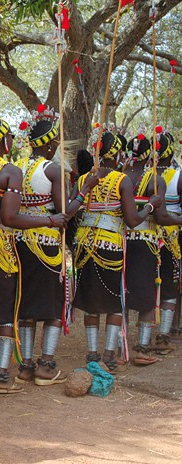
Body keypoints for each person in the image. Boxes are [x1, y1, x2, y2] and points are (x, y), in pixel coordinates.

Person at [0, 110, 66, 394]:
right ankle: (1, 376)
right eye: (9, 137)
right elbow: (10, 218)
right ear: (3, 140)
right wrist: (49, 220)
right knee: (8, 309)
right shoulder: (9, 171)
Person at [72, 131, 159, 370]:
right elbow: (132, 220)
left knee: (91, 302)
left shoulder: (83, 180)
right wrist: (151, 206)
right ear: (118, 153)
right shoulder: (122, 180)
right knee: (113, 301)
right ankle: (109, 356)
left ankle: (92, 354)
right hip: (109, 246)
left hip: (83, 246)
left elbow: (72, 210)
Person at [13, 107, 70, 386]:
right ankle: (46, 365)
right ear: (48, 143)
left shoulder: (18, 168)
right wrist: (84, 191)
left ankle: (25, 365)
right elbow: (64, 211)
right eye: (56, 140)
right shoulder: (53, 170)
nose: (58, 145)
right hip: (46, 245)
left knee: (26, 304)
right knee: (52, 303)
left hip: (21, 244)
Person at [121, 133, 176, 365]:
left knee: (122, 292)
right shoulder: (155, 180)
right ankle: (143, 348)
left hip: (120, 241)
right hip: (146, 243)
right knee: (146, 294)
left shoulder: (120, 176)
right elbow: (161, 217)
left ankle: (116, 349)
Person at [153, 130, 181, 346]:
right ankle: (166, 333)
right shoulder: (177, 177)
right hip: (172, 238)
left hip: (144, 237)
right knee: (171, 280)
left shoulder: (141, 174)